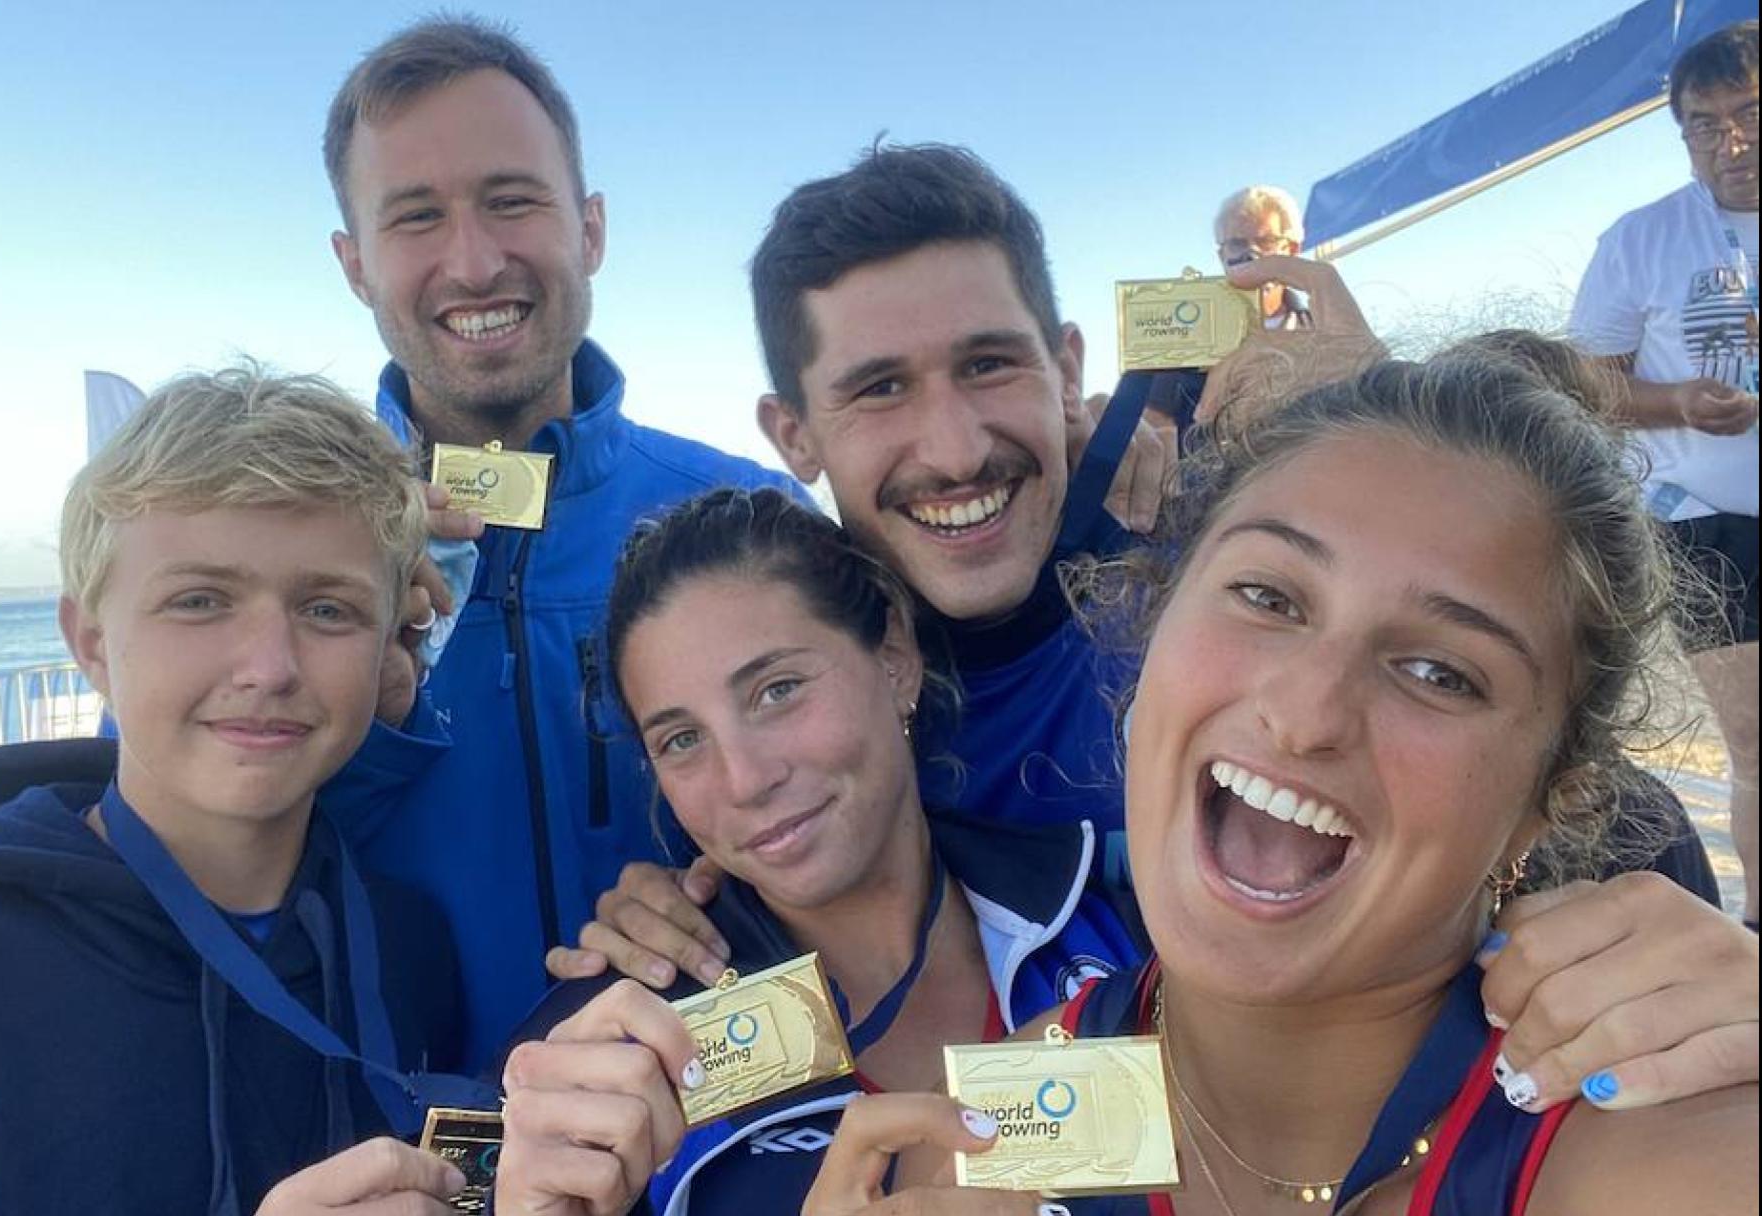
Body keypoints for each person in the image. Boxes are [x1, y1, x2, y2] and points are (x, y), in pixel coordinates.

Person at [556, 148, 1739, 1114]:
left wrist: (1689, 968)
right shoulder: (822, 726)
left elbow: (1578, 806)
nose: (957, 445)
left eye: (989, 364)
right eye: (878, 389)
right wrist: (695, 924)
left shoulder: (1224, 606)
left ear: (1067, 365)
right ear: (794, 434)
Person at [806, 338, 1758, 1216]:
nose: (1305, 717)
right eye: (1268, 596)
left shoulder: (1666, 1156)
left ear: (1546, 807)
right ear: (1153, 630)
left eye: (1442, 674)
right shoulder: (984, 1131)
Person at [0, 367, 477, 1215]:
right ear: (89, 643)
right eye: (199, 601)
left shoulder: (406, 945)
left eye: (328, 610)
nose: (268, 666)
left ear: (387, 645)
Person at [317, 15, 802, 1065]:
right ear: (356, 265)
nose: (475, 260)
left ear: (590, 229)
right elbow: (180, 869)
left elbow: (905, 812)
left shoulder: (752, 517)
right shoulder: (291, 560)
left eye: (512, 199)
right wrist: (352, 664)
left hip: (722, 1142)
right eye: (415, 217)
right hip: (398, 1162)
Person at [502, 486, 1145, 1215]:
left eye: (777, 691)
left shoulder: (1127, 910)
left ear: (895, 656)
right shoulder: (596, 1052)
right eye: (682, 740)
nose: (745, 780)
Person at [1569, 19, 1760, 925]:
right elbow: (1583, 387)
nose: (1732, 142)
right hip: (1706, 519)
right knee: (1758, 747)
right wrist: (1680, 403)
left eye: (1751, 113)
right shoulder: (1641, 239)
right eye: (1704, 123)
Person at [1213, 185, 1313, 329]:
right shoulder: (1195, 333)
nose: (1251, 255)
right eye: (1237, 243)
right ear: (1222, 256)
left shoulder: (1326, 333)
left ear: (1291, 251)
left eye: (1266, 242)